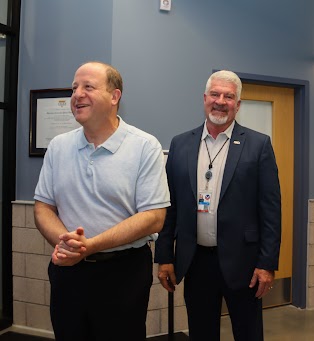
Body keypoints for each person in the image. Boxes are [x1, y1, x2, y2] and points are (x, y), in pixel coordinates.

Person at [34, 61, 170, 341]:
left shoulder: (145, 146)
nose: (77, 94)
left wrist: (91, 245)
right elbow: (43, 207)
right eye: (74, 88)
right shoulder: (59, 146)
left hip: (123, 275)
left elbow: (154, 217)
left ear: (114, 96)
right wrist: (66, 244)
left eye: (88, 87)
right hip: (68, 272)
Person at [155, 70, 281, 341]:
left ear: (238, 104)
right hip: (196, 261)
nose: (220, 101)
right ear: (204, 98)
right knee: (201, 332)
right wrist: (164, 256)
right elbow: (170, 205)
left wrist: (267, 263)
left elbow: (270, 210)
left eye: (229, 96)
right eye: (215, 94)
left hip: (244, 264)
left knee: (248, 333)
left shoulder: (258, 145)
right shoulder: (181, 144)